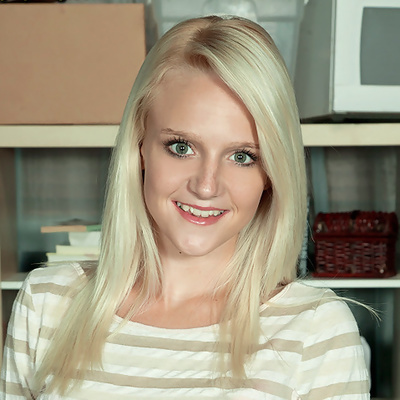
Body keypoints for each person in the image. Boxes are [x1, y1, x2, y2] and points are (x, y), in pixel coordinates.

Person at [1, 15, 370, 399]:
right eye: (181, 147)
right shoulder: (47, 302)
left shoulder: (316, 331)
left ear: (271, 175)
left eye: (242, 156)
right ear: (140, 147)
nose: (206, 186)